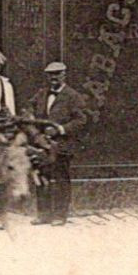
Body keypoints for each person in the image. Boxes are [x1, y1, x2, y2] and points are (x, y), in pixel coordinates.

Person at [26, 61, 90, 226]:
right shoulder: (41, 94)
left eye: (57, 74)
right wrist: (35, 130)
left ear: (64, 75)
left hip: (62, 145)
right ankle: (43, 214)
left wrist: (60, 129)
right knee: (41, 177)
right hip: (42, 145)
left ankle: (60, 215)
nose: (53, 78)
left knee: (61, 179)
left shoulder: (73, 96)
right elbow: (28, 110)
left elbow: (81, 120)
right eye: (50, 75)